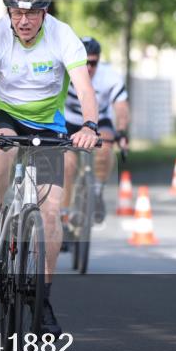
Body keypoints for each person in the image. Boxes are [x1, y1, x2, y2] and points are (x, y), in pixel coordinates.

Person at [0, 0, 99, 337]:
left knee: (51, 214)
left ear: (45, 13)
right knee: (3, 153)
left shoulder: (63, 36)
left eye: (33, 13)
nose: (24, 21)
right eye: (17, 13)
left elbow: (85, 88)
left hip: (47, 122)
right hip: (2, 113)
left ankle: (43, 299)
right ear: (8, 12)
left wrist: (88, 126)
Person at [62, 36, 130, 226]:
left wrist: (122, 132)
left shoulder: (110, 76)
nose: (89, 68)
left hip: (98, 120)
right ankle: (64, 215)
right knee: (67, 164)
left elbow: (121, 107)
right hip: (69, 120)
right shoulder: (64, 71)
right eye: (84, 63)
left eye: (93, 62)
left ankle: (97, 191)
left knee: (105, 147)